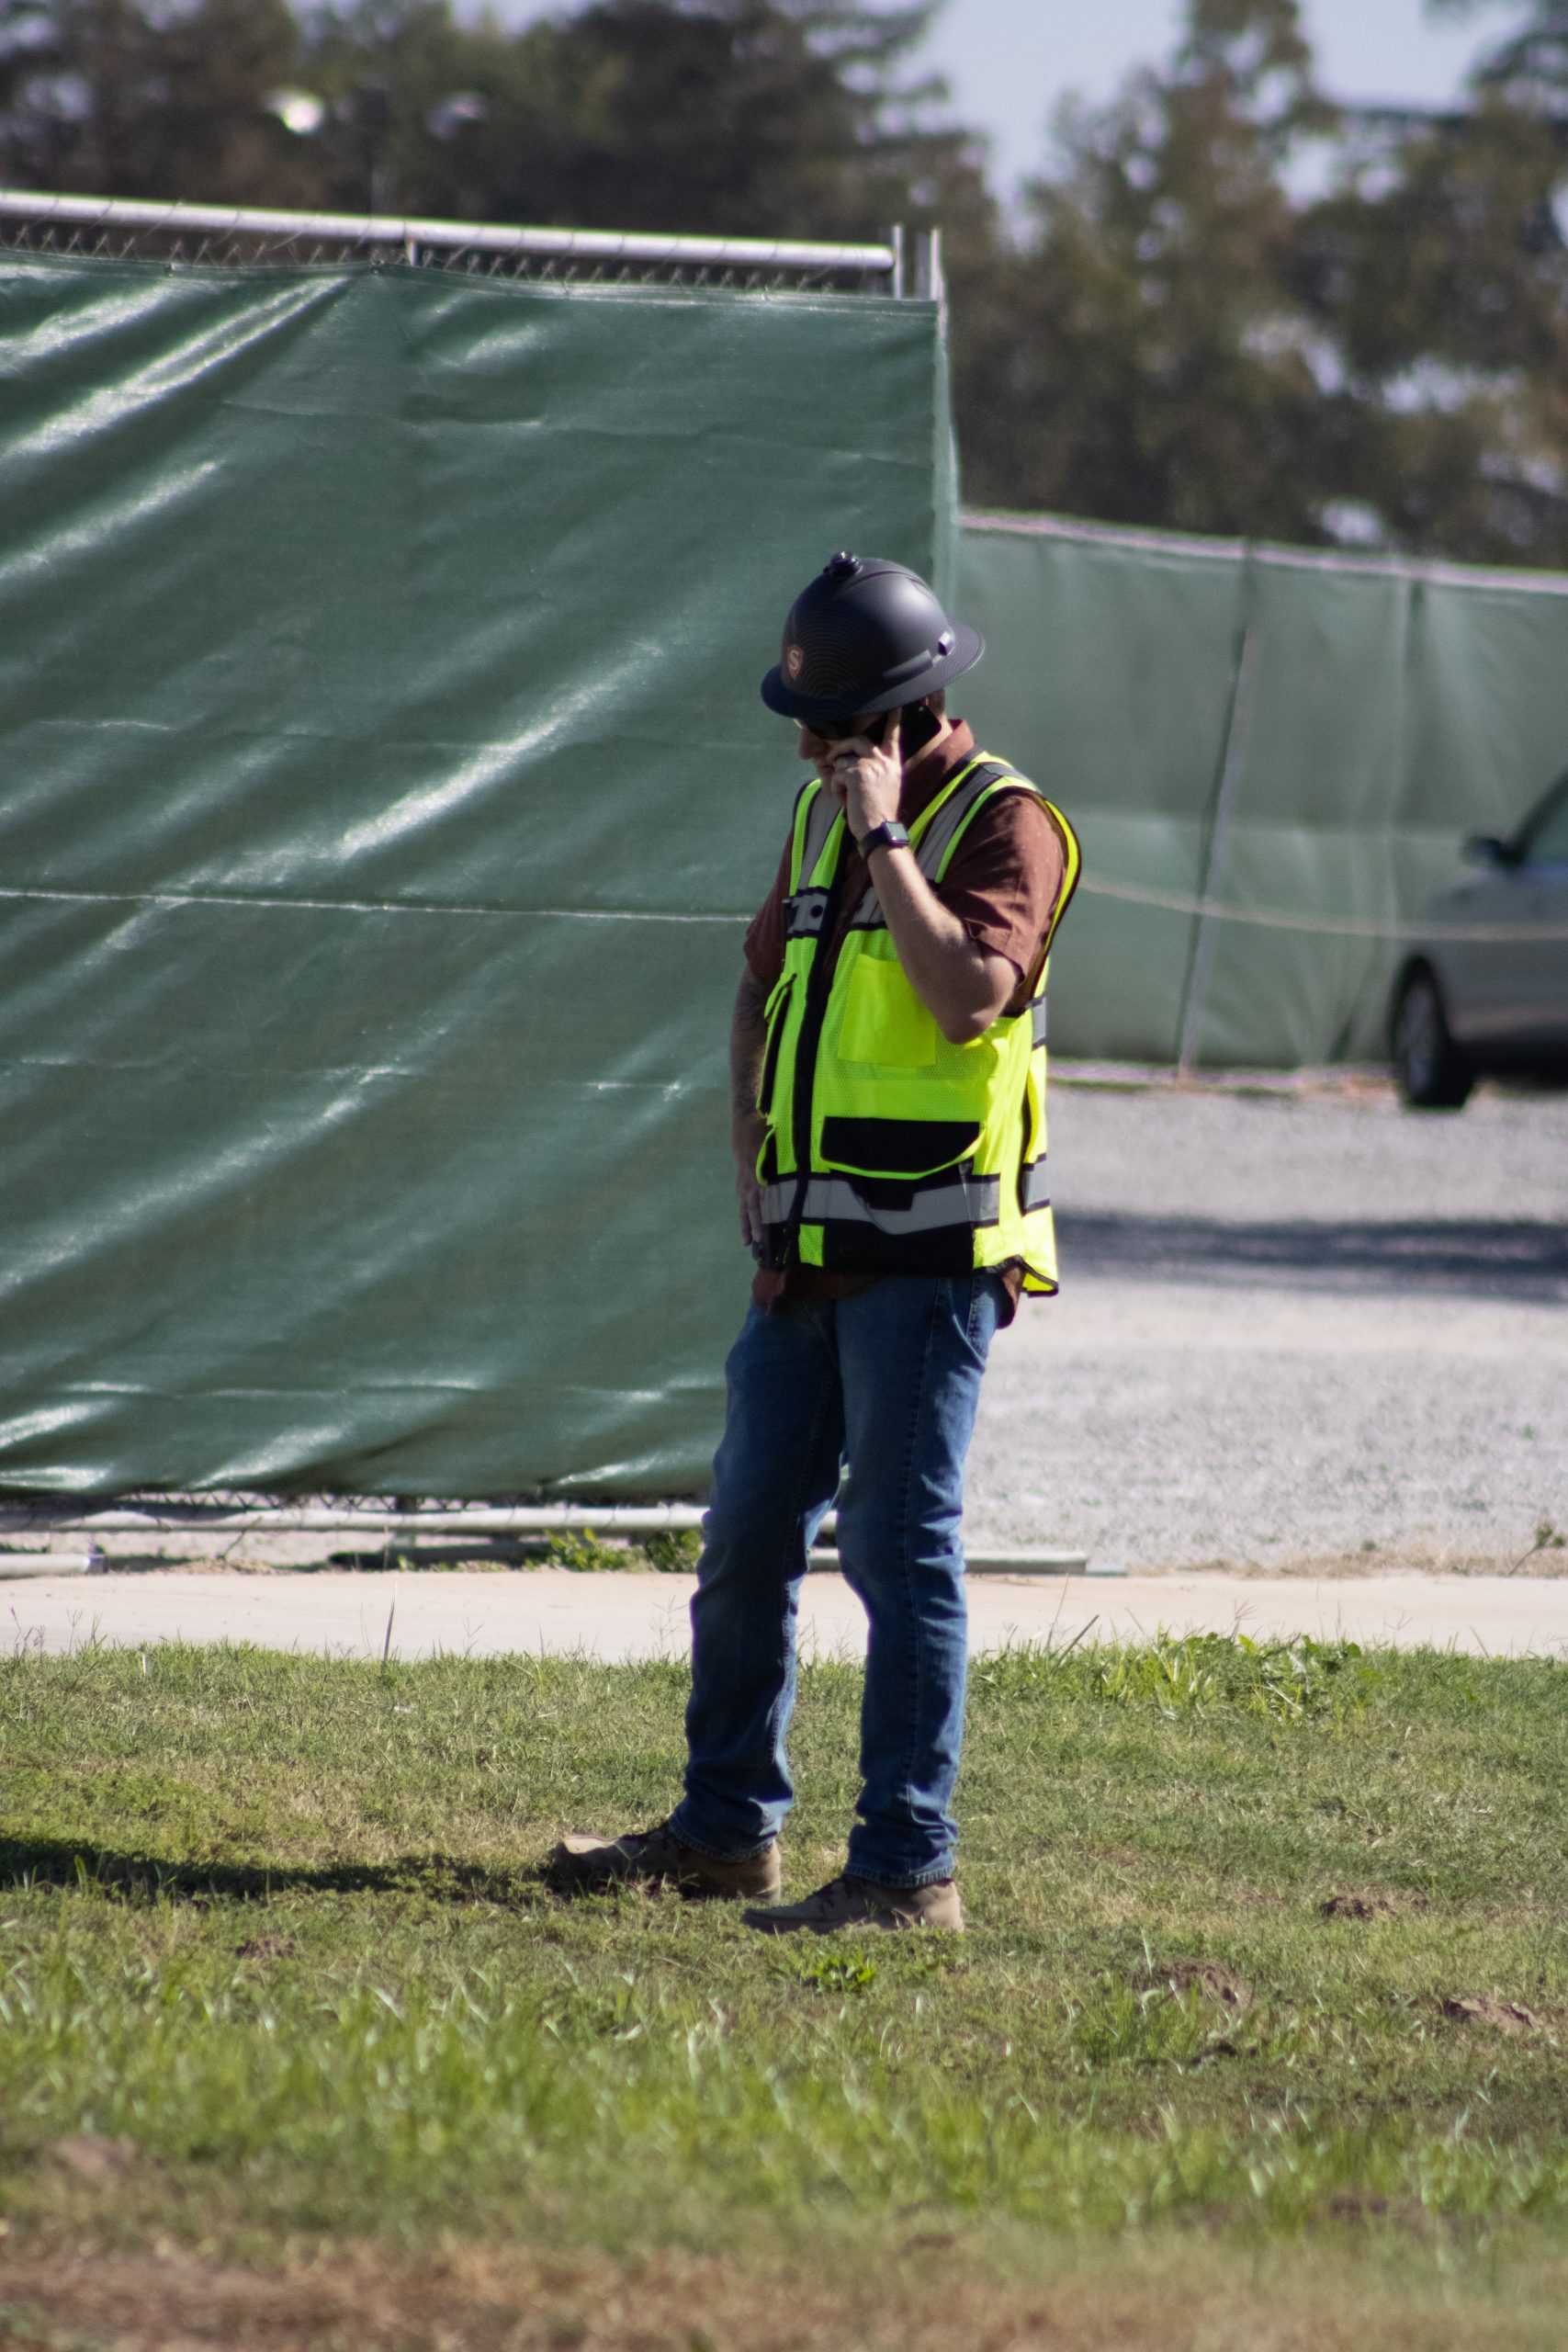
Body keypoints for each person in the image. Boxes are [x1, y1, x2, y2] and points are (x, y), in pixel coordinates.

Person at [547, 551, 1079, 1932]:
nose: (799, 744)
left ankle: (909, 1873)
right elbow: (760, 979)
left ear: (891, 721)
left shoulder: (1006, 824)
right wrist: (746, 1149)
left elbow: (964, 997)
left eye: (822, 723)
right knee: (741, 1548)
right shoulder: (809, 818)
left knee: (901, 1558)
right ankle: (727, 1833)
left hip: (928, 1264)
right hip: (803, 1258)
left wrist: (891, 839)